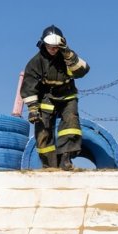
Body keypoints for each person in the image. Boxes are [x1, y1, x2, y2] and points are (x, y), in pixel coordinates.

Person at [20, 25, 90, 170]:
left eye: (56, 47)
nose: (53, 49)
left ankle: (66, 159)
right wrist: (33, 109)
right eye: (49, 46)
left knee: (70, 125)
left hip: (67, 96)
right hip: (47, 97)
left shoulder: (67, 57)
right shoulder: (36, 62)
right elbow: (29, 85)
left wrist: (68, 54)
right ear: (43, 44)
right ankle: (49, 165)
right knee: (43, 129)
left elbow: (82, 71)